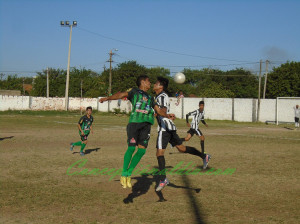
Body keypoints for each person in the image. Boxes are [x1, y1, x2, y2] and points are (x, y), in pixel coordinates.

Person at [99, 75, 168, 189]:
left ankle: (129, 173)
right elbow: (121, 95)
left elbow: (158, 110)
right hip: (135, 123)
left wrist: (167, 115)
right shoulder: (134, 91)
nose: (150, 83)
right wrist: (107, 98)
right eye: (148, 81)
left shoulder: (151, 98)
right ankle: (123, 174)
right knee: (131, 148)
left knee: (141, 150)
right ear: (142, 82)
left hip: (146, 126)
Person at [153, 77, 211, 192]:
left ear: (161, 86)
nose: (154, 85)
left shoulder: (162, 96)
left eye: (156, 83)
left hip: (164, 128)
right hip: (169, 126)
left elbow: (163, 110)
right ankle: (204, 156)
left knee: (159, 153)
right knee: (182, 148)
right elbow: (163, 112)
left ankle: (163, 179)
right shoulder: (159, 97)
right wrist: (166, 114)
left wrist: (158, 114)